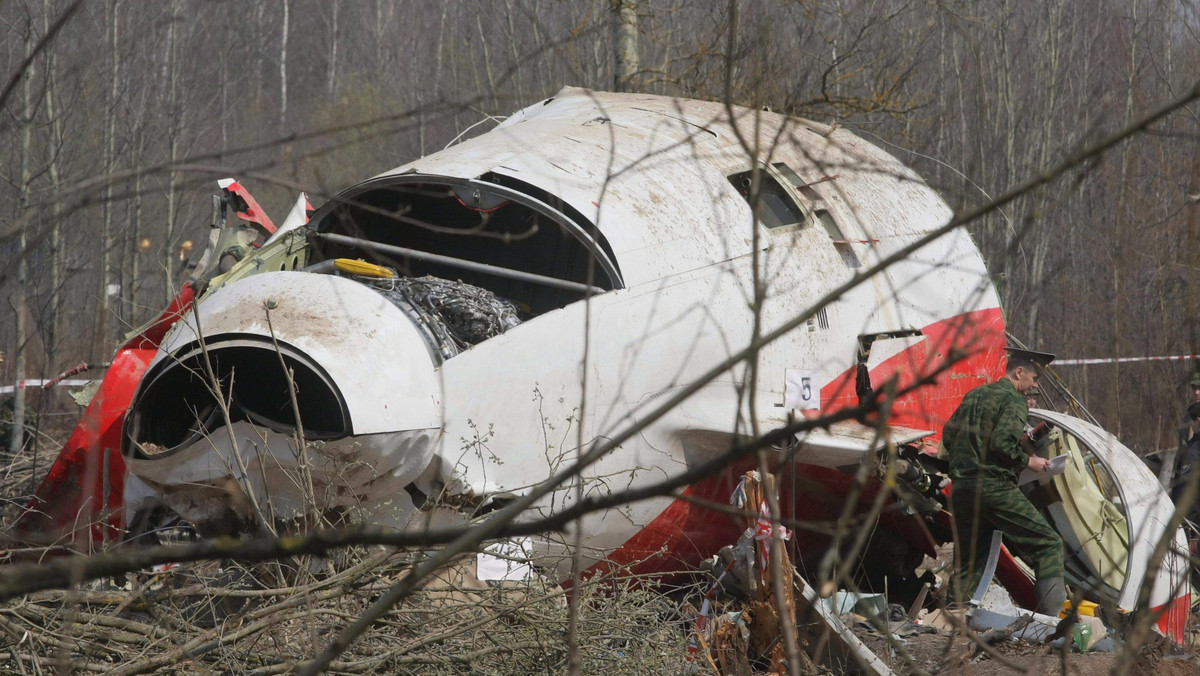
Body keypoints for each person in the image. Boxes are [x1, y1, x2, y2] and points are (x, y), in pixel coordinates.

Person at [943, 347, 1065, 614]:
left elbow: (948, 438)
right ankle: (1052, 626)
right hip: (994, 487)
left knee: (970, 559)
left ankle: (953, 620)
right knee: (1049, 545)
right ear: (1018, 371)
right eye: (1034, 378)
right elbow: (1001, 443)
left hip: (962, 489)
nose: (1034, 385)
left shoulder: (975, 394)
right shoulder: (1014, 399)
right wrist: (1029, 461)